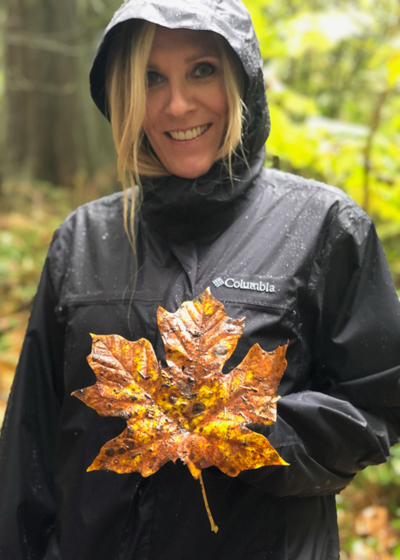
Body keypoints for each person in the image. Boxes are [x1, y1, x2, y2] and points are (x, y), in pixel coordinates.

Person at [0, 0, 399, 558]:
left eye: (202, 70)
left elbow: (379, 406)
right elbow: (30, 447)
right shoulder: (84, 237)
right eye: (150, 78)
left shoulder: (324, 227)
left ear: (240, 78)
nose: (177, 103)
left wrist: (253, 434)